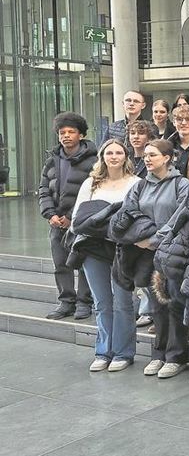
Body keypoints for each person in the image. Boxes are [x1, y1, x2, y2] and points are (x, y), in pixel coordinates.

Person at [121, 139, 189, 378]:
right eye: (145, 156)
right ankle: (158, 353)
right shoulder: (140, 186)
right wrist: (139, 238)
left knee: (174, 304)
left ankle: (176, 356)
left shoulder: (181, 184)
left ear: (167, 157)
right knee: (156, 307)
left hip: (172, 252)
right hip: (145, 255)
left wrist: (154, 240)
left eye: (153, 155)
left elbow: (181, 216)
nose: (148, 159)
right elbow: (129, 212)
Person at [71, 139, 139, 372]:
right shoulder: (90, 183)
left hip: (122, 249)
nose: (113, 156)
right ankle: (103, 351)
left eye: (118, 152)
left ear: (126, 156)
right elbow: (77, 220)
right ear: (102, 156)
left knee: (123, 302)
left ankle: (123, 353)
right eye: (109, 152)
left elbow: (138, 216)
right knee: (102, 303)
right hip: (93, 248)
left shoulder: (136, 183)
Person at [39, 112, 97, 320]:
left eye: (71, 132)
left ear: (81, 135)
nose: (66, 136)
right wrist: (50, 214)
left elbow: (94, 192)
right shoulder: (51, 161)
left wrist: (73, 217)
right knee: (60, 263)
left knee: (82, 264)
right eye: (62, 132)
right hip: (56, 223)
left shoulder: (94, 161)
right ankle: (66, 302)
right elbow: (44, 189)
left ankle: (84, 302)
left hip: (81, 223)